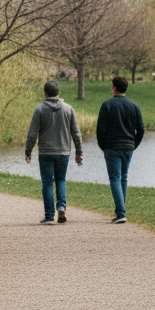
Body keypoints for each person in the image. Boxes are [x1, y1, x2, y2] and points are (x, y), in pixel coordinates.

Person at [25, 80, 83, 225]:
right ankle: (61, 206)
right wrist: (79, 151)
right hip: (63, 151)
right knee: (61, 179)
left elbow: (33, 133)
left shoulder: (39, 109)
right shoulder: (68, 109)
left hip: (45, 152)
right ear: (58, 92)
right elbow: (76, 133)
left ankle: (49, 215)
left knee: (47, 182)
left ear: (45, 93)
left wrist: (28, 150)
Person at [96, 75, 145, 224]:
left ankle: (121, 213)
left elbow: (100, 130)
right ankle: (120, 211)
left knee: (115, 178)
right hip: (128, 148)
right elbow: (141, 129)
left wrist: (103, 146)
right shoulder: (134, 106)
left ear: (114, 88)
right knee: (123, 177)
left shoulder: (107, 105)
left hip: (112, 147)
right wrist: (133, 145)